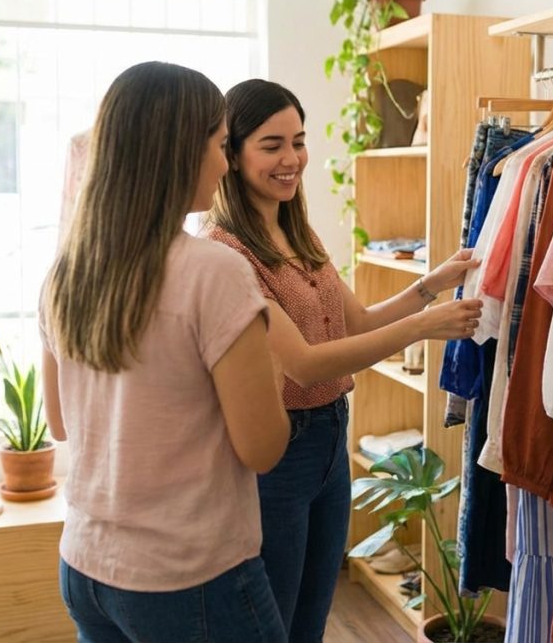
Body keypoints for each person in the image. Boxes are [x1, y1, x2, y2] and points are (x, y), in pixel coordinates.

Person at [207, 78, 483, 642]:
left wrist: (432, 283)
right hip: (280, 452)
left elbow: (354, 322)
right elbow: (304, 364)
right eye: (272, 145)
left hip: (331, 436)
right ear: (231, 155)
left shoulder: (294, 229)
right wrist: (424, 327)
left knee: (312, 617)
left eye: (299, 141)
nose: (292, 159)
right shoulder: (225, 253)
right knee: (275, 623)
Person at [41, 62, 290, 643]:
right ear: (179, 149)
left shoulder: (66, 270)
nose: (227, 163)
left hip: (85, 563)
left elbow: (59, 422)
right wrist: (272, 364)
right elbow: (263, 447)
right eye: (222, 144)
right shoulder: (214, 272)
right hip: (188, 576)